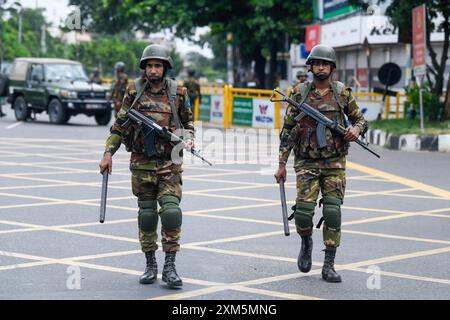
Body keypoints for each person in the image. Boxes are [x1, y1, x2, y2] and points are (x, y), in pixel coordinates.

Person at [98, 44, 195, 288]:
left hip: (170, 162)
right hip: (141, 164)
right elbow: (120, 124)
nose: (153, 70)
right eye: (150, 65)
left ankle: (170, 266)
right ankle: (150, 263)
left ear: (165, 68)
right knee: (148, 215)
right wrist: (108, 153)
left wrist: (188, 137)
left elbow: (188, 123)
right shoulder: (134, 91)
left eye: (158, 65)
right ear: (144, 68)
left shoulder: (178, 92)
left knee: (171, 212)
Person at [274, 44, 368, 283]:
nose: (321, 67)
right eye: (317, 63)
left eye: (325, 63)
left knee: (333, 212)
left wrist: (355, 130)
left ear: (332, 68)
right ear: (312, 67)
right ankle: (306, 241)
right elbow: (287, 131)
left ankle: (329, 264)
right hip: (306, 163)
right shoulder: (299, 93)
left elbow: (360, 120)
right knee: (304, 214)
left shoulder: (342, 93)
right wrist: (282, 164)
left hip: (335, 163)